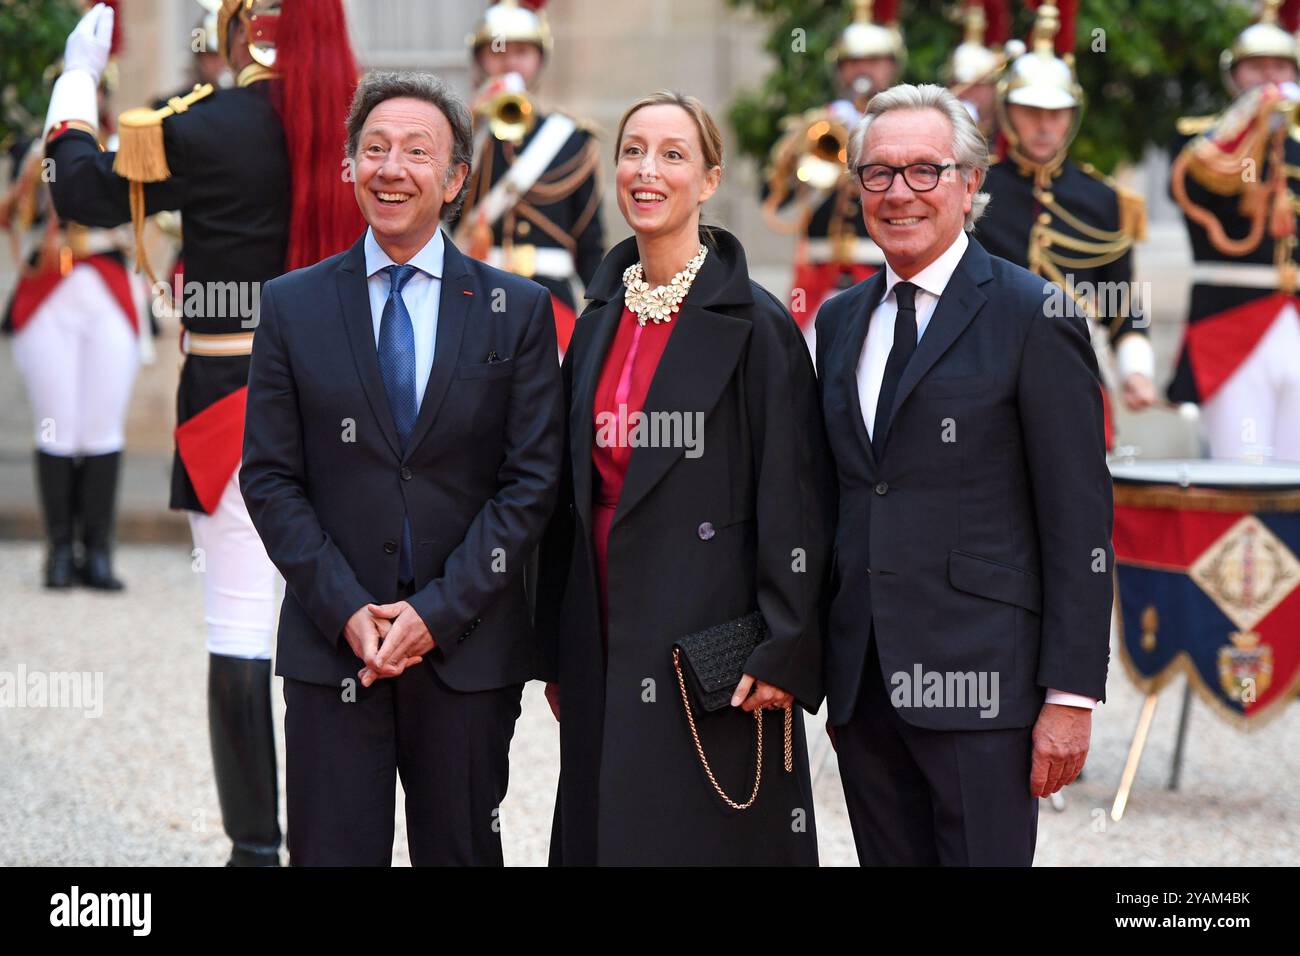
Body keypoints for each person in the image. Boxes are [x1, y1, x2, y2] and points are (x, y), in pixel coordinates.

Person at [43, 0, 365, 865]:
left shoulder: (207, 123)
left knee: (238, 627)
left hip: (237, 402)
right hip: (363, 418)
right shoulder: (375, 120)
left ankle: (257, 850)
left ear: (238, 28)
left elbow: (80, 191)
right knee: (359, 627)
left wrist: (76, 84)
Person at [241, 71, 564, 867]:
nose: (393, 168)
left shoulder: (514, 310)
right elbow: (270, 477)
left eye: (418, 152)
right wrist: (348, 608)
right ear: (348, 167)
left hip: (467, 651)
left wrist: (437, 612)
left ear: (455, 179)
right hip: (332, 646)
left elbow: (529, 483)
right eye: (374, 149)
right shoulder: (292, 306)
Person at [816, 84, 1112, 866]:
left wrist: (1071, 698)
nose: (899, 193)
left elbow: (1079, 520)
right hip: (864, 686)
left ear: (971, 183)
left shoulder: (1032, 314)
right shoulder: (841, 320)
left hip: (986, 689)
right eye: (878, 174)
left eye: (925, 170)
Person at [537, 91, 833, 866]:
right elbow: (565, 498)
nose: (647, 170)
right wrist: (556, 645)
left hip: (711, 647)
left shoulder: (759, 327)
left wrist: (787, 646)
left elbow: (796, 498)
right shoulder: (596, 317)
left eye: (673, 155)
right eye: (633, 151)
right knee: (608, 831)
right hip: (602, 627)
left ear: (707, 181)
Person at [2, 9, 140, 592]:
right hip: (49, 293)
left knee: (103, 425)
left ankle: (98, 552)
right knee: (56, 425)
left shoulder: (131, 145)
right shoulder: (31, 152)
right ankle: (59, 552)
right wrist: (35, 170)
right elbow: (13, 216)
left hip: (107, 286)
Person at [978, 1, 1155, 447]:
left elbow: (1120, 301)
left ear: (1072, 115)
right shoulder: (974, 188)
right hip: (984, 370)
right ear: (1006, 110)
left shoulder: (1105, 199)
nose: (1043, 125)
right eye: (1029, 110)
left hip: (1075, 366)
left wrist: (1136, 370)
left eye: (1055, 113)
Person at [1168, 0, 1300, 462]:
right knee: (1240, 466)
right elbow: (1199, 189)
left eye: (1280, 66)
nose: (1269, 78)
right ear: (1235, 75)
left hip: (1295, 317)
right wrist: (1250, 127)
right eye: (1256, 67)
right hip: (1232, 319)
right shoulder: (1202, 140)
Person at [455, 0, 603, 355]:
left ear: (539, 60)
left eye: (522, 51)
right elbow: (443, 216)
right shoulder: (463, 137)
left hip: (552, 299)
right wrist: (471, 126)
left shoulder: (569, 139)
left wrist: (602, 315)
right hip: (480, 292)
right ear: (480, 60)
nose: (509, 62)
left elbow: (589, 243)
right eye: (497, 50)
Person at [763, 0, 906, 356]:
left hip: (884, 275)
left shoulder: (907, 126)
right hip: (819, 281)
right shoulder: (816, 124)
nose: (864, 70)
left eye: (874, 61)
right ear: (840, 70)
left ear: (891, 67)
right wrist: (799, 159)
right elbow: (773, 199)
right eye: (854, 62)